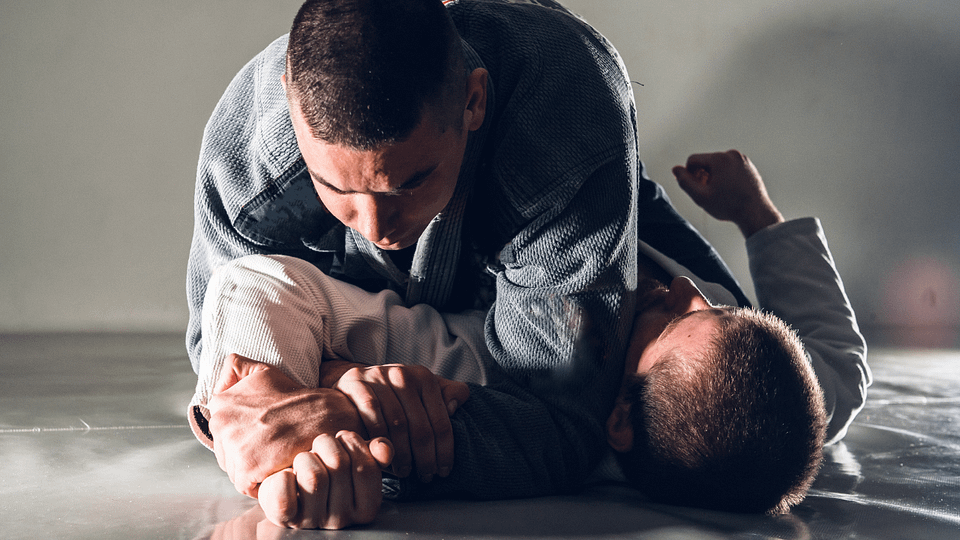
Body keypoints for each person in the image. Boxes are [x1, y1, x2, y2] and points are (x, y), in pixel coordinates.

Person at [186, 0, 750, 519]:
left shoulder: (563, 118)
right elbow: (232, 371)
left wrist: (358, 414)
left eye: (410, 182)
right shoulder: (248, 166)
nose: (378, 227)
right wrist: (306, 398)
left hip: (568, 198)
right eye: (335, 187)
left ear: (473, 100)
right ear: (289, 101)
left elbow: (559, 420)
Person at [195, 150, 869, 528]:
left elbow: (259, 286)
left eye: (672, 321)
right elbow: (839, 361)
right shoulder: (780, 396)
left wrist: (289, 397)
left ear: (618, 416)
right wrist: (755, 215)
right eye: (720, 309)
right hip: (617, 185)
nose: (685, 290)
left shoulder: (507, 372)